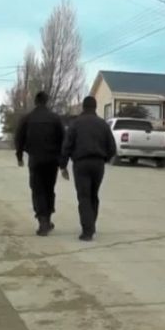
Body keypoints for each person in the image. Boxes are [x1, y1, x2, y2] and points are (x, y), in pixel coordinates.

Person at [60, 96, 116, 242]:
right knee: (93, 195)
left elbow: (67, 146)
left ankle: (87, 230)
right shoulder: (103, 125)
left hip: (81, 164)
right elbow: (112, 147)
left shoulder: (75, 124)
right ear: (95, 107)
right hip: (98, 164)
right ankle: (91, 224)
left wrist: (63, 165)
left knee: (83, 196)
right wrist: (105, 159)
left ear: (83, 107)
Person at [15, 92, 65, 236]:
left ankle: (43, 220)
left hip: (35, 160)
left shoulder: (27, 118)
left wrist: (19, 156)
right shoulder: (55, 119)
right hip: (52, 161)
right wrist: (62, 162)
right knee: (49, 189)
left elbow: (19, 138)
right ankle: (47, 219)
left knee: (37, 190)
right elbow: (63, 140)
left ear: (35, 102)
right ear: (47, 101)